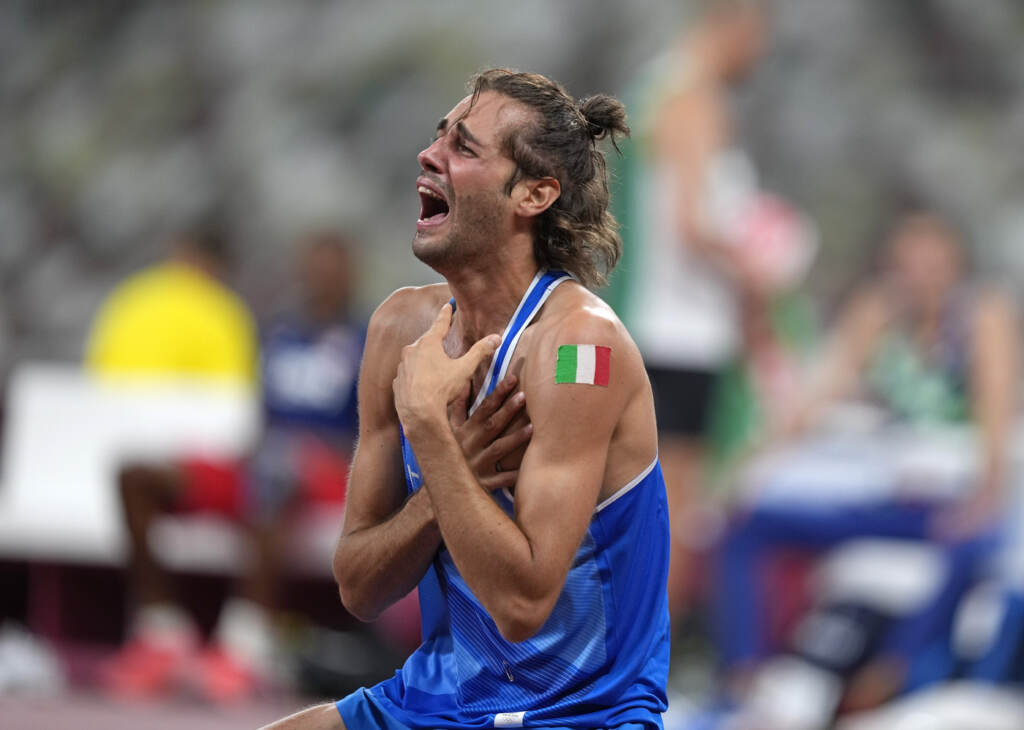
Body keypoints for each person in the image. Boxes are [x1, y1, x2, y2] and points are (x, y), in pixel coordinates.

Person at [264, 68, 670, 730]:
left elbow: (522, 606)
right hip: (436, 700)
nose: (430, 155)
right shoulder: (400, 329)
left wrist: (430, 428)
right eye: (437, 137)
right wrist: (446, 483)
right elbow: (360, 588)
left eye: (465, 147)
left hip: (578, 717)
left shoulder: (580, 349)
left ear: (535, 194)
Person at [709, 209, 1019, 721]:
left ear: (956, 265)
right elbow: (820, 393)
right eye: (908, 264)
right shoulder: (879, 310)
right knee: (745, 527)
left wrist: (986, 494)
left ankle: (888, 675)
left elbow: (995, 413)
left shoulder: (983, 315)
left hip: (955, 497)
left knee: (965, 546)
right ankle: (745, 674)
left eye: (933, 264)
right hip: (891, 494)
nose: (921, 277)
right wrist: (750, 465)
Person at [90, 228, 365, 703]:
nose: (320, 277)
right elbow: (257, 412)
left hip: (332, 469)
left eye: (331, 268)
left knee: (275, 472)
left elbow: (377, 430)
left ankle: (245, 645)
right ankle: (160, 633)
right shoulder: (277, 332)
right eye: (313, 266)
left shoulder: (372, 336)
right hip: (267, 460)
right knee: (137, 476)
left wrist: (304, 448)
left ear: (349, 275)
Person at [611, 0, 774, 621]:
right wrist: (759, 272)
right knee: (671, 507)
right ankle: (646, 663)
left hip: (653, 324)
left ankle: (624, 658)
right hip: (682, 333)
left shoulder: (656, 89)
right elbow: (692, 224)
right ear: (731, 20)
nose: (759, 52)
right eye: (758, 32)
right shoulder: (692, 97)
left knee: (638, 502)